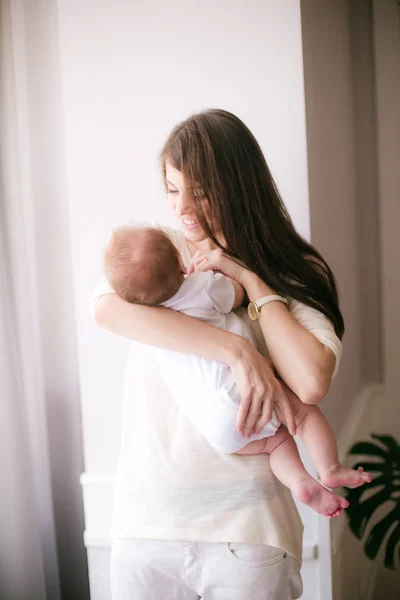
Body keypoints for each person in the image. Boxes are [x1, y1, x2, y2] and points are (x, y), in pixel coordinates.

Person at [91, 109, 347, 599]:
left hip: (247, 533)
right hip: (147, 526)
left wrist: (252, 280)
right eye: (172, 188)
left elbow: (311, 382)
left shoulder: (293, 270)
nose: (182, 208)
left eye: (201, 191)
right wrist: (235, 351)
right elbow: (106, 313)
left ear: (239, 187)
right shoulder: (158, 253)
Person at [102, 225, 370, 519]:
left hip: (214, 426)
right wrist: (234, 277)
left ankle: (300, 481)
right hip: (240, 393)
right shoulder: (201, 286)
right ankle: (329, 469)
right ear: (181, 262)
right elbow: (237, 295)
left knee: (275, 442)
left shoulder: (147, 318)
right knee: (304, 414)